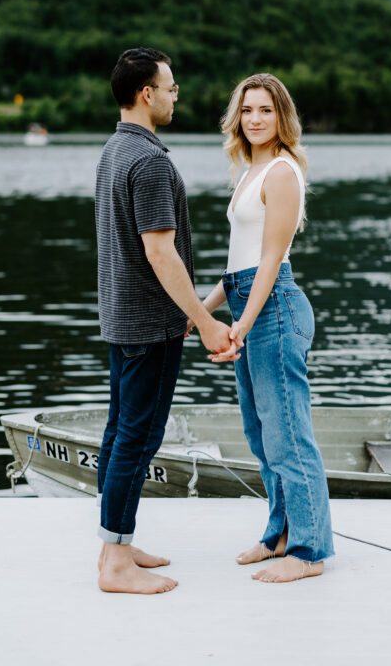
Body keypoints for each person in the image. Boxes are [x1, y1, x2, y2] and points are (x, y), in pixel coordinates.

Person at [95, 47, 234, 595]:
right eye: (171, 88)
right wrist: (201, 320)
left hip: (122, 317)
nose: (177, 96)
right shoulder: (150, 160)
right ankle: (114, 562)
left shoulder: (113, 150)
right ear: (147, 94)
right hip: (150, 322)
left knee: (119, 430)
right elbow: (160, 253)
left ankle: (117, 543)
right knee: (139, 434)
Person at [201, 72, 334, 583]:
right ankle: (279, 535)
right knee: (261, 436)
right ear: (237, 117)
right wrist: (199, 311)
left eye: (266, 111)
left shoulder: (281, 172)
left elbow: (272, 259)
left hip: (273, 308)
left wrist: (242, 324)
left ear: (282, 117)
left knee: (289, 438)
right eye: (248, 110)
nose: (255, 119)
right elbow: (237, 265)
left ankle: (310, 550)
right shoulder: (249, 172)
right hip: (249, 302)